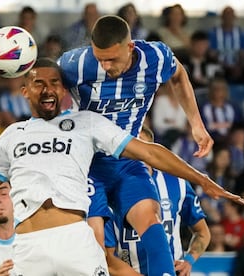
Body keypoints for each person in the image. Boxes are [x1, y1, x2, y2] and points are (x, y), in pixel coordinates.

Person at [0, 58, 243, 275]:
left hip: (75, 241)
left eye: (56, 83)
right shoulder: (12, 135)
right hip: (28, 246)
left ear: (64, 91)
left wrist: (202, 179)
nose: (48, 89)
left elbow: (150, 152)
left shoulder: (88, 123)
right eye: (39, 83)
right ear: (25, 90)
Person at [58, 15, 214, 276]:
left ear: (130, 47)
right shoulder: (77, 64)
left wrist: (196, 124)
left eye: (111, 59)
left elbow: (178, 75)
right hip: (87, 164)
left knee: (150, 220)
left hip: (126, 159)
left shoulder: (155, 57)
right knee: (96, 249)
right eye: (100, 59)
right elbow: (46, 88)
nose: (105, 66)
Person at [105, 126, 211, 276]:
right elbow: (105, 255)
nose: (136, 150)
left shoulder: (178, 184)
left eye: (141, 144)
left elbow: (202, 232)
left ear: (152, 150)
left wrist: (189, 261)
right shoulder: (108, 189)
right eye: (131, 145)